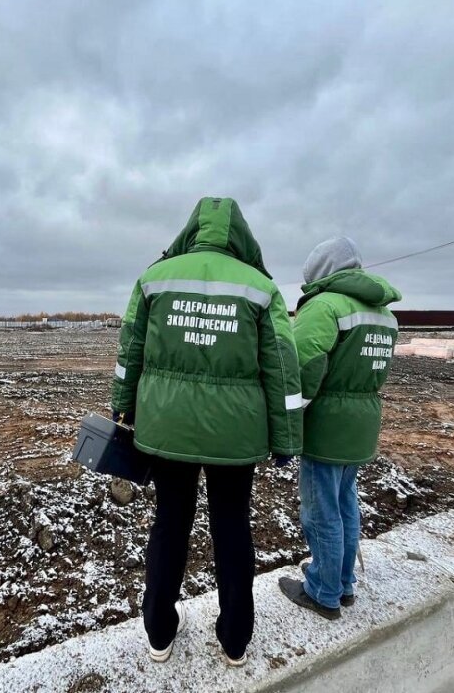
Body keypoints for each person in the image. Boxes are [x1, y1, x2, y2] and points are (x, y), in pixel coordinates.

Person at [112, 197, 302, 666]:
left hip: (167, 428)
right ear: (241, 235)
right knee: (233, 527)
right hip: (234, 436)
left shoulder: (156, 278)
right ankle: (235, 640)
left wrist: (123, 409)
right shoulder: (261, 289)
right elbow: (282, 366)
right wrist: (285, 439)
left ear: (191, 230)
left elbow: (130, 349)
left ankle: (159, 633)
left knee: (170, 524)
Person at [278, 236, 401, 618]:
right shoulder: (384, 314)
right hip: (361, 424)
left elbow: (301, 367)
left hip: (328, 429)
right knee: (346, 502)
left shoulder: (324, 306)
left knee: (320, 511)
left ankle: (323, 591)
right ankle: (343, 581)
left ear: (321, 273)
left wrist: (287, 420)